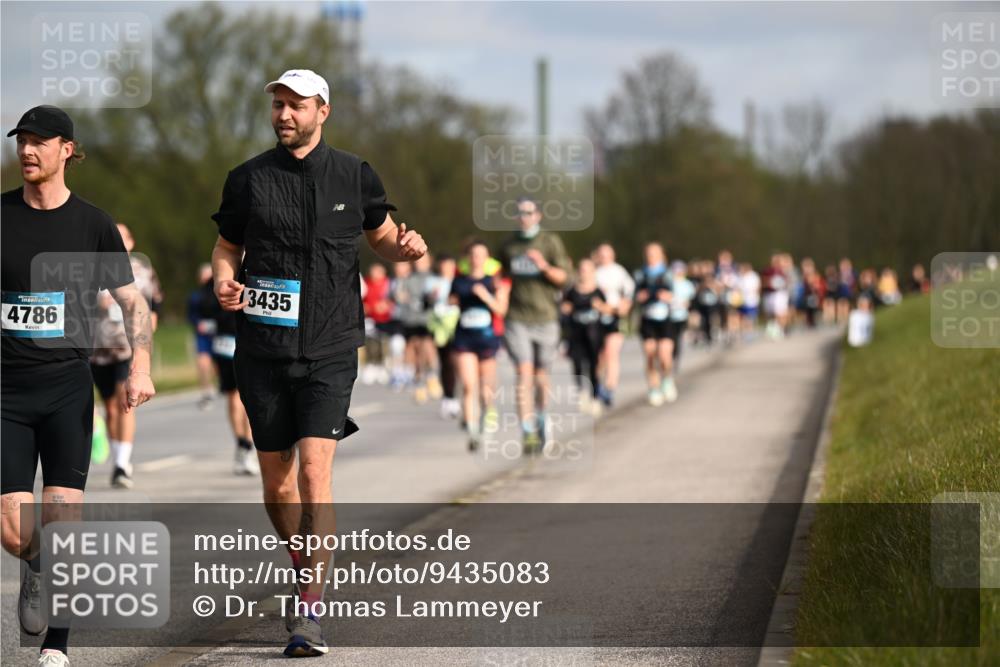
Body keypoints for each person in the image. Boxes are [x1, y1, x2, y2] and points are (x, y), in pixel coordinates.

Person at [211, 70, 426, 658]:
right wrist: (226, 280)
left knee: (313, 473)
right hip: (262, 348)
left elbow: (382, 237)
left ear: (322, 111)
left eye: (295, 105)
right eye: (278, 105)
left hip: (331, 346)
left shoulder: (355, 175)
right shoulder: (247, 179)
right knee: (277, 485)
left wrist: (406, 247)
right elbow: (228, 247)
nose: (283, 114)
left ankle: (309, 608)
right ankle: (304, 561)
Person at [2, 105, 156, 667]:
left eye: (40, 141)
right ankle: (36, 566)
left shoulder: (93, 224)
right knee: (15, 531)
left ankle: (57, 646)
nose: (27, 150)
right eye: (22, 140)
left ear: (67, 150)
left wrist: (140, 367)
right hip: (6, 392)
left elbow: (133, 304)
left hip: (67, 387)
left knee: (63, 518)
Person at [90, 223, 163, 489]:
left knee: (125, 401)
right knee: (110, 407)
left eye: (124, 238)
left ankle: (122, 463)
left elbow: (154, 302)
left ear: (131, 242)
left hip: (126, 346)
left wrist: (149, 324)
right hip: (97, 347)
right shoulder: (92, 266)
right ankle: (116, 454)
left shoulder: (142, 269)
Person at [498, 197, 572, 454]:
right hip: (517, 318)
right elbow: (501, 276)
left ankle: (541, 416)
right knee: (523, 373)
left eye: (529, 212)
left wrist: (543, 266)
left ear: (538, 215)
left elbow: (565, 278)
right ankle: (527, 429)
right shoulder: (508, 245)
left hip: (546, 317)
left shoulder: (549, 241)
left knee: (541, 376)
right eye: (520, 212)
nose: (524, 217)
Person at [196, 275, 258, 475]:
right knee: (241, 397)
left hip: (235, 342)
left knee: (239, 396)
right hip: (233, 342)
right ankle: (245, 445)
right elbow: (205, 314)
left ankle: (244, 444)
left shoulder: (215, 282)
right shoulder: (243, 274)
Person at [450, 240, 508, 450]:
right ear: (468, 258)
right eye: (473, 255)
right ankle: (473, 432)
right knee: (468, 385)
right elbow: (451, 301)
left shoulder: (493, 282)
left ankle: (487, 414)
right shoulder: (459, 281)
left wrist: (485, 296)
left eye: (481, 255)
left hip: (487, 338)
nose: (477, 259)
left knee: (486, 388)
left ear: (487, 258)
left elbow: (501, 309)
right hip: (464, 337)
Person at [561, 258, 611, 416]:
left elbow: (608, 310)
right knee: (577, 363)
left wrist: (600, 306)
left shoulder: (598, 291)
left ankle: (595, 397)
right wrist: (566, 309)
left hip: (594, 334)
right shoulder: (571, 291)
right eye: (582, 270)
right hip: (576, 334)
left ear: (593, 272)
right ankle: (581, 392)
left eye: (588, 270)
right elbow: (564, 309)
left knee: (593, 365)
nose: (585, 273)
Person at [592, 242, 634, 408]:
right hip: (597, 318)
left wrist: (624, 306)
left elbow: (629, 292)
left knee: (612, 353)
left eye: (607, 254)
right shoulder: (594, 272)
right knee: (599, 357)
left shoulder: (619, 271)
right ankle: (598, 385)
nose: (604, 257)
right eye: (601, 254)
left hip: (615, 317)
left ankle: (610, 388)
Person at [634, 242, 675, 406]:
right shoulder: (640, 274)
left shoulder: (667, 273)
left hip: (665, 318)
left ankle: (667, 379)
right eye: (649, 253)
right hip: (647, 318)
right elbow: (634, 296)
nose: (651, 256)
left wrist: (667, 296)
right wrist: (639, 297)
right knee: (650, 355)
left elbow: (675, 294)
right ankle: (653, 388)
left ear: (661, 254)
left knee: (664, 355)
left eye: (654, 253)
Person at [426, 254, 461, 420]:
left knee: (458, 361)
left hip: (459, 324)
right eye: (444, 265)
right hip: (440, 325)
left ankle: (458, 394)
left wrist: (456, 300)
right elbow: (426, 301)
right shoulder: (433, 281)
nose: (447, 268)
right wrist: (432, 297)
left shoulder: (460, 281)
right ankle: (448, 397)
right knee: (446, 361)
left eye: (450, 265)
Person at [187, 263, 218, 410]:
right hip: (203, 335)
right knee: (203, 363)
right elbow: (191, 315)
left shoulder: (219, 293)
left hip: (219, 334)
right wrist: (198, 323)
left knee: (218, 366)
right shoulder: (195, 297)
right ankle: (206, 392)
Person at [667, 260, 696, 377]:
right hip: (668, 316)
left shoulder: (687, 284)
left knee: (676, 339)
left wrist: (686, 305)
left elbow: (691, 300)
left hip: (681, 316)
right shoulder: (669, 282)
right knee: (669, 340)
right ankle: (668, 359)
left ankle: (674, 360)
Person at [738, 262, 761, 339]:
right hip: (742, 300)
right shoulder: (740, 276)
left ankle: (750, 332)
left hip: (751, 300)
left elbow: (757, 287)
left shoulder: (753, 276)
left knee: (750, 317)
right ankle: (745, 332)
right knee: (743, 317)